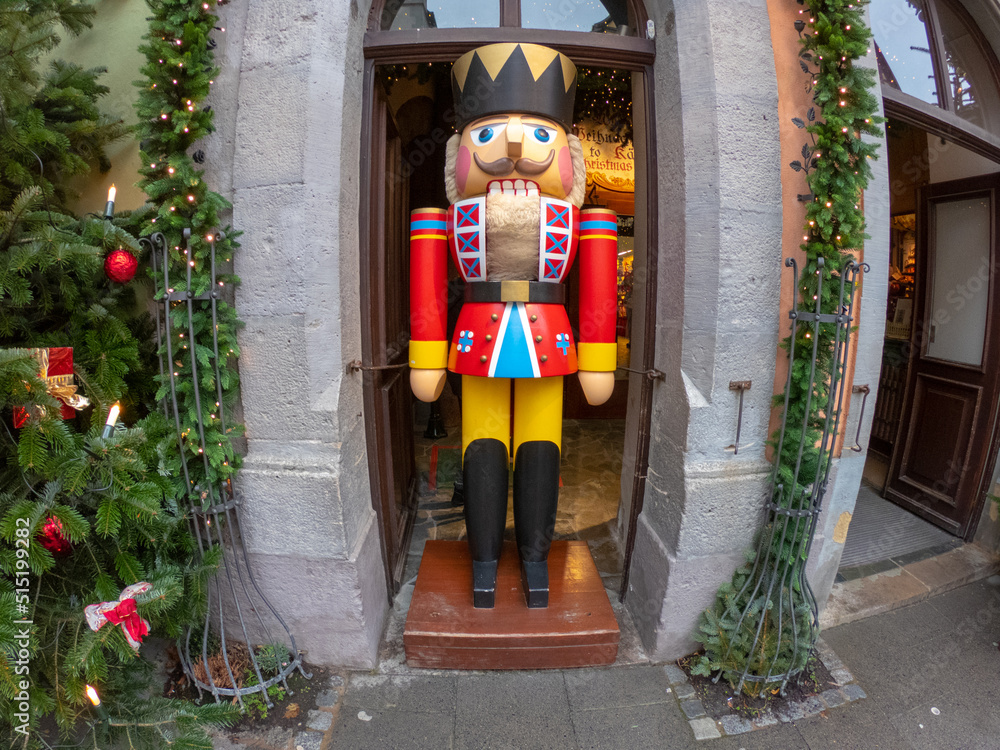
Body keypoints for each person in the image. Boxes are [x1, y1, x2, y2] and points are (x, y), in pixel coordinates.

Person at [408, 43, 618, 608]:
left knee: (540, 447)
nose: (516, 147)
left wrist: (601, 360)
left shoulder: (588, 219)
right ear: (457, 153)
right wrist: (424, 357)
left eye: (541, 135)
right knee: (481, 444)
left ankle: (534, 559)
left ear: (570, 153)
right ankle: (482, 559)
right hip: (479, 336)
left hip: (548, 339)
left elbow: (597, 291)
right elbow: (427, 287)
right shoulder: (439, 218)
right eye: (489, 134)